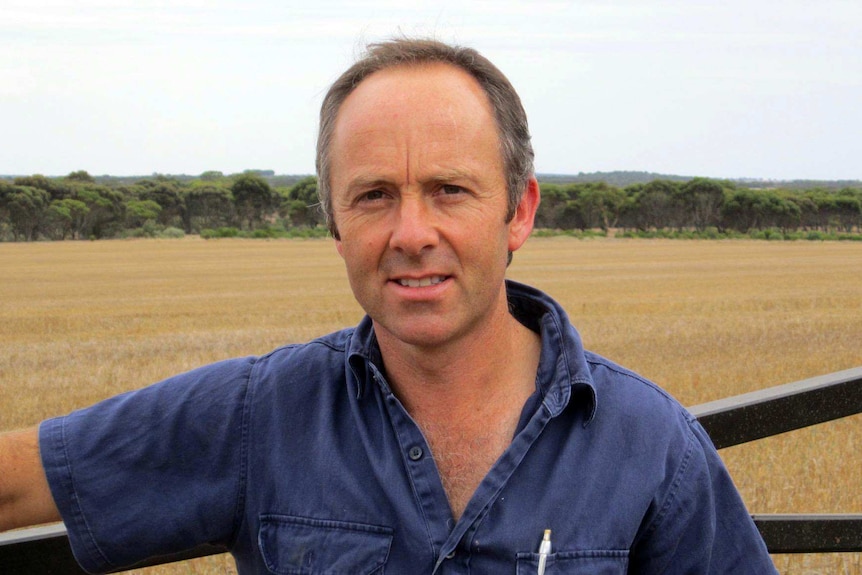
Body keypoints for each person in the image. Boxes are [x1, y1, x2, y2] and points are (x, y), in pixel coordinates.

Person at [0, 37, 777, 574]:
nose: (411, 233)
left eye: (449, 190)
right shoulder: (259, 415)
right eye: (374, 195)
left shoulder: (649, 445)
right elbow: (18, 483)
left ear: (519, 211)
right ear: (336, 224)